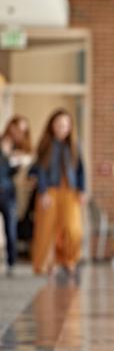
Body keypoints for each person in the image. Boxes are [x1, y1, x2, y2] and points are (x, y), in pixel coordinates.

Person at [29, 110, 86, 277]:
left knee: (73, 229)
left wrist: (82, 190)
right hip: (49, 191)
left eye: (65, 125)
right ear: (52, 126)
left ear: (69, 127)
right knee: (46, 229)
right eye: (58, 124)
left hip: (70, 191)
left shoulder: (75, 145)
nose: (62, 128)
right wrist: (43, 192)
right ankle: (44, 263)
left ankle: (69, 260)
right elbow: (39, 171)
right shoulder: (45, 145)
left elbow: (81, 169)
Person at [0, 116, 34, 274]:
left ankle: (11, 263)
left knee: (10, 227)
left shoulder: (18, 149)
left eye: (23, 130)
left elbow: (12, 174)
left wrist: (18, 162)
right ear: (11, 126)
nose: (19, 132)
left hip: (7, 192)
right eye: (18, 128)